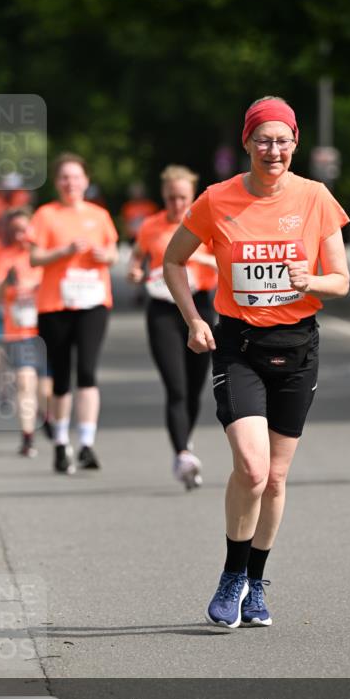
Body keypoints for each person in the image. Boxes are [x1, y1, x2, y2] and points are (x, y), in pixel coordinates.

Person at [164, 96, 350, 628]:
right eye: (263, 140)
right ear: (247, 143)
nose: (274, 150)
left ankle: (256, 582)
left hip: (297, 349)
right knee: (252, 466)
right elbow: (173, 260)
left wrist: (308, 280)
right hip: (238, 346)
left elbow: (340, 279)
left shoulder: (315, 198)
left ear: (296, 144)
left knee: (276, 478)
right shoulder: (216, 199)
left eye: (283, 140)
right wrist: (194, 320)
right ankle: (231, 574)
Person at [128, 165, 218, 489]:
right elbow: (137, 258)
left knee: (195, 389)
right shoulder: (151, 226)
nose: (177, 204)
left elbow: (227, 263)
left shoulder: (207, 224)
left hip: (201, 307)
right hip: (163, 310)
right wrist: (135, 273)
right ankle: (182, 453)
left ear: (192, 196)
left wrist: (201, 260)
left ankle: (185, 441)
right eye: (170, 197)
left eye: (182, 197)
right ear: (163, 196)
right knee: (176, 387)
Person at [28, 153, 118, 474]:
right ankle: (61, 442)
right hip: (56, 305)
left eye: (76, 177)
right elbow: (35, 258)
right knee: (62, 375)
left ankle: (87, 444)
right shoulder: (45, 215)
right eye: (65, 177)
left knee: (88, 371)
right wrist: (64, 252)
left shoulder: (99, 215)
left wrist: (102, 255)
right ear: (57, 182)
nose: (71, 183)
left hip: (93, 301)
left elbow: (113, 253)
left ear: (86, 181)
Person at [0, 208, 48, 457]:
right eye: (14, 230)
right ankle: (27, 437)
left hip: (47, 326)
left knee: (45, 390)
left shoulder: (45, 254)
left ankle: (47, 415)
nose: (19, 235)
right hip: (19, 330)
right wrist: (7, 283)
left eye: (23, 229)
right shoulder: (4, 257)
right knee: (25, 381)